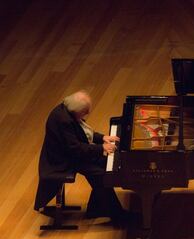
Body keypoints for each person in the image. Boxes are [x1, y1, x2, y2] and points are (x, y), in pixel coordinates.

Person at [34, 90, 125, 222]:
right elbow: (75, 148)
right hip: (62, 161)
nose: (87, 114)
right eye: (85, 111)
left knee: (104, 164)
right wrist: (101, 147)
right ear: (75, 110)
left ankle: (97, 208)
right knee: (100, 174)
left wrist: (103, 138)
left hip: (69, 153)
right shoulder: (64, 120)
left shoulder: (67, 110)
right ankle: (116, 214)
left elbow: (82, 132)